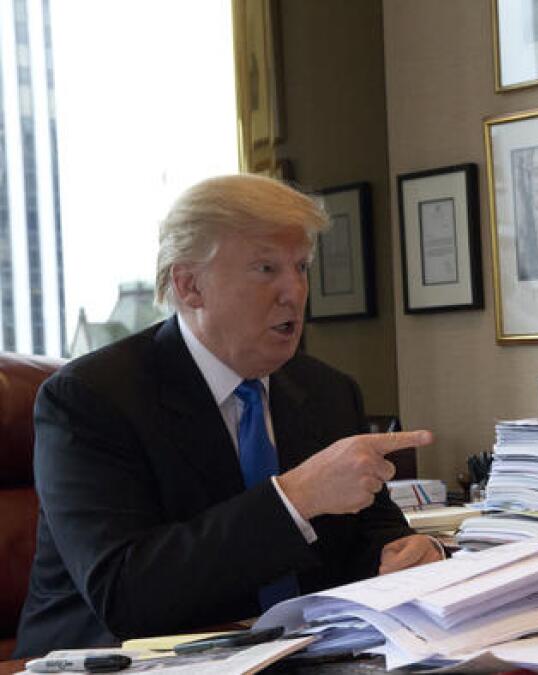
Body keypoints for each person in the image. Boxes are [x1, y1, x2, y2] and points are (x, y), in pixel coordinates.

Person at [15, 175, 442, 657]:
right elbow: (127, 595)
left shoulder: (327, 391)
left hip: (298, 656)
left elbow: (370, 534)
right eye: (266, 268)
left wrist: (409, 552)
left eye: (300, 267)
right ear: (190, 285)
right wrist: (295, 498)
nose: (293, 292)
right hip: (122, 662)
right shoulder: (90, 399)